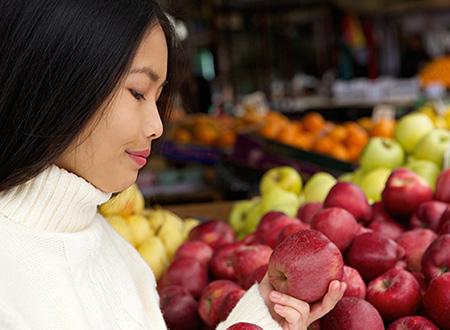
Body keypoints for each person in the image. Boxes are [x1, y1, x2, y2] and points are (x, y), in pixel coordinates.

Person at [0, 1, 346, 329]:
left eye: (158, 96)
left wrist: (262, 316)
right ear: (55, 84)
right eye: (137, 92)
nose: (157, 126)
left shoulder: (115, 251)